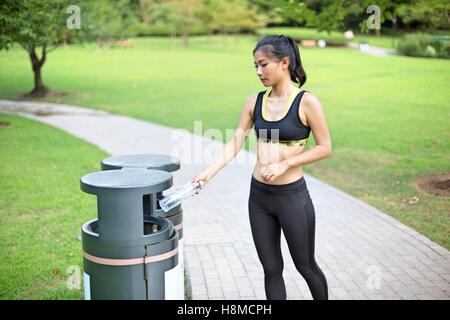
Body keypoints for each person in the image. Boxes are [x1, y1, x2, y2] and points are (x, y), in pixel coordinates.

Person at [192, 35, 332, 300]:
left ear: (284, 63)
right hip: (259, 199)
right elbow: (235, 143)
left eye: (263, 64)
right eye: (255, 65)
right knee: (271, 269)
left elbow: (325, 147)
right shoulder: (254, 101)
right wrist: (207, 174)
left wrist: (286, 164)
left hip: (292, 198)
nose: (258, 71)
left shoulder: (306, 102)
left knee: (305, 266)